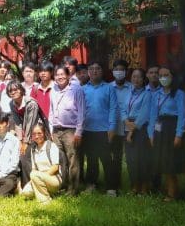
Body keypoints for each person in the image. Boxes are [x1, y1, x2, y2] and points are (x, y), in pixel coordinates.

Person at [148, 66, 185, 201]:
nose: (163, 78)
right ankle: (170, 189)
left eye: (166, 75)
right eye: (161, 75)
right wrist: (151, 134)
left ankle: (172, 193)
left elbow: (182, 116)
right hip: (160, 130)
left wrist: (179, 135)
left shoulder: (179, 94)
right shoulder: (156, 94)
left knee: (171, 162)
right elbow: (153, 116)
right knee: (163, 161)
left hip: (172, 129)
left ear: (172, 77)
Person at [83, 61, 119, 195]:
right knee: (91, 160)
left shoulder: (109, 88)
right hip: (88, 130)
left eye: (97, 68)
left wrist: (112, 127)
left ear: (102, 71)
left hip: (104, 130)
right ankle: (91, 184)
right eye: (91, 69)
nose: (94, 71)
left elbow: (113, 109)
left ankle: (111, 188)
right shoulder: (83, 89)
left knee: (107, 159)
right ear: (88, 72)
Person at [49, 66, 85, 195]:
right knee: (60, 160)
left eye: (62, 74)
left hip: (71, 130)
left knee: (73, 160)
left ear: (68, 76)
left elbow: (82, 112)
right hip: (56, 130)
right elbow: (51, 111)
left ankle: (73, 189)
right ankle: (62, 185)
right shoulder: (53, 90)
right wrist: (51, 130)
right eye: (57, 74)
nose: (60, 77)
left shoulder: (76, 89)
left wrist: (79, 132)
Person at [123, 68, 153, 194]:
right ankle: (135, 186)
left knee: (142, 159)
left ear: (143, 79)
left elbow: (143, 115)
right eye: (134, 76)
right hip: (128, 125)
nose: (136, 79)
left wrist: (131, 132)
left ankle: (144, 188)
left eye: (139, 77)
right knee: (131, 159)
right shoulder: (129, 92)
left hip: (140, 129)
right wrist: (126, 121)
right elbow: (123, 109)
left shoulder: (147, 94)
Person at [20, 124, 65, 204]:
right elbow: (34, 169)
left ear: (44, 133)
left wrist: (41, 177)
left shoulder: (51, 146)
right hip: (39, 177)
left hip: (53, 178)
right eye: (34, 134)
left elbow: (55, 167)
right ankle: (50, 193)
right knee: (26, 192)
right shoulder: (33, 149)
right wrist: (34, 180)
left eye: (39, 133)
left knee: (34, 175)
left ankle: (45, 201)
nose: (36, 136)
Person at [110, 59, 131, 194]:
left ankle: (135, 185)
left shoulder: (132, 87)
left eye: (121, 70)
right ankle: (115, 185)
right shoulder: (108, 87)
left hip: (130, 129)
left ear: (126, 72)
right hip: (114, 129)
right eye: (116, 70)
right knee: (116, 158)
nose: (119, 72)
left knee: (131, 158)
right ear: (113, 71)